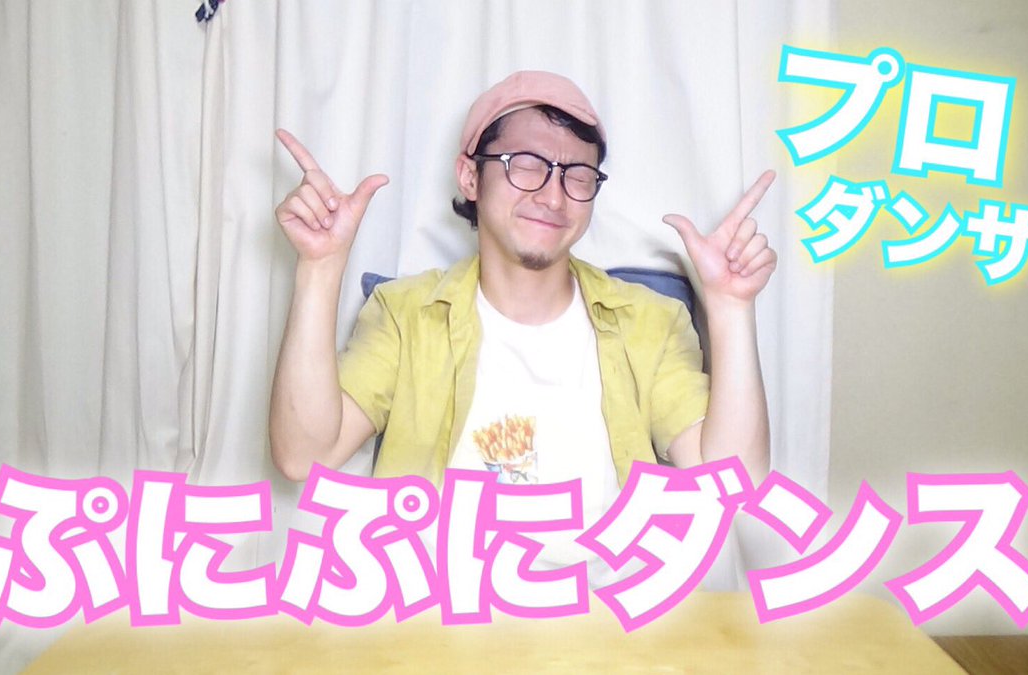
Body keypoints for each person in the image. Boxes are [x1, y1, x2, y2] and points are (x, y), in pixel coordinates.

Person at [268, 71, 776, 508]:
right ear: (470, 176)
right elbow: (304, 457)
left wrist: (731, 308)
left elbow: (734, 485)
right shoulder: (405, 314)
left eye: (577, 175)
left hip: (608, 593)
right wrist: (320, 267)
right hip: (440, 593)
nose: (553, 196)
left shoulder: (650, 322)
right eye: (527, 164)